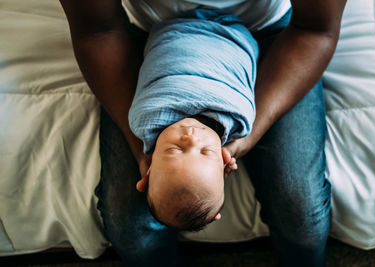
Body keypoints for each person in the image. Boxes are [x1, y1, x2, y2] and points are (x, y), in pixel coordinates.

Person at [60, 0, 347, 266]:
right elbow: (96, 30)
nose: (190, 139)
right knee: (130, 227)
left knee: (302, 217)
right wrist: (145, 151)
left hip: (272, 35)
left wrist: (247, 133)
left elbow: (315, 30)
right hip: (156, 37)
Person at [129, 9, 258, 231]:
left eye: (174, 150)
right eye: (206, 152)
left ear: (148, 169)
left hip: (171, 30)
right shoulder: (237, 119)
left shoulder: (144, 118)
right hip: (233, 36)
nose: (190, 139)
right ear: (225, 161)